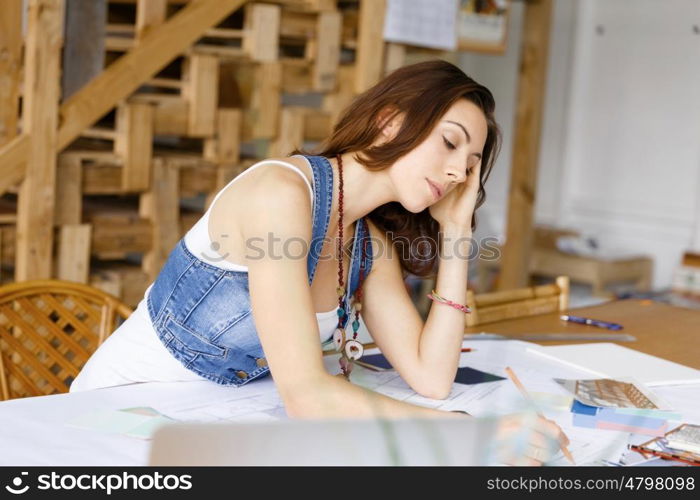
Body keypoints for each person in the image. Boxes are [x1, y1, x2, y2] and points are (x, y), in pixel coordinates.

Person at [71, 59, 569, 465]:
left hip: (212, 425)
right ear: (390, 121)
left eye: (472, 161)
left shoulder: (367, 242)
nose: (460, 170)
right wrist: (472, 437)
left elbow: (431, 378)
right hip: (114, 419)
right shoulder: (280, 195)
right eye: (450, 141)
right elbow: (307, 396)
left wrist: (458, 233)